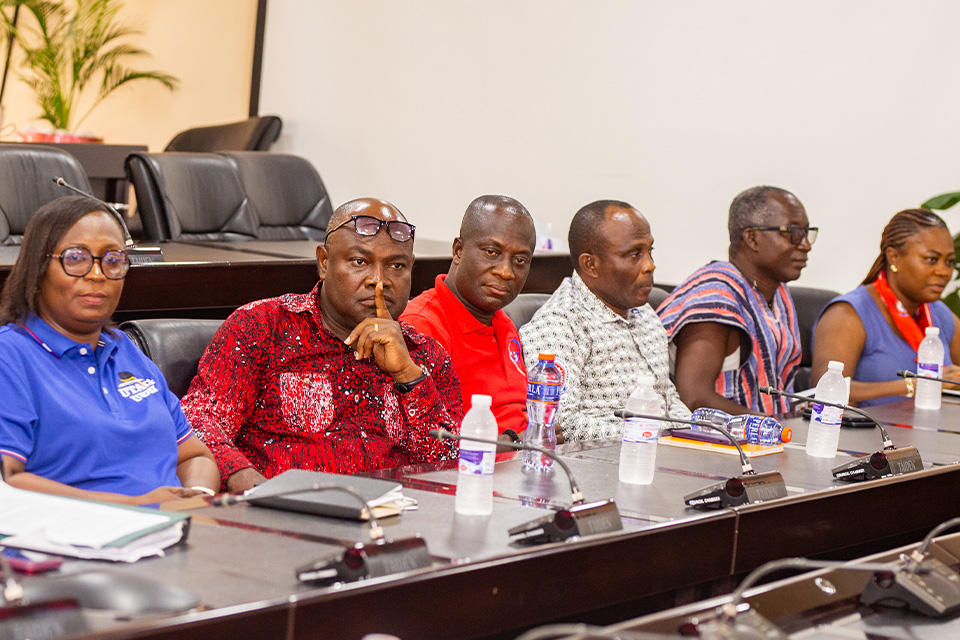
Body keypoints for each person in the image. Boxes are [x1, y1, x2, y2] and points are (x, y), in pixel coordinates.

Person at [182, 198, 462, 493]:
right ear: (324, 262)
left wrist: (407, 375)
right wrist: (255, 489)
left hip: (395, 522)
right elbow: (197, 422)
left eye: (396, 265)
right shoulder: (263, 326)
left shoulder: (424, 354)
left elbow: (451, 464)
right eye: (359, 262)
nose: (379, 281)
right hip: (281, 519)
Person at [0, 196, 220, 505]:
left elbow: (194, 455)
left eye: (113, 259)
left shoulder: (125, 351)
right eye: (75, 258)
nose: (97, 273)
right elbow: (7, 483)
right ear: (38, 269)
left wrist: (197, 497)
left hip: (176, 529)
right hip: (74, 540)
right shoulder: (10, 355)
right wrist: (133, 507)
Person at [519, 200, 690, 442]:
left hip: (660, 454)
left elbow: (667, 397)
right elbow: (559, 423)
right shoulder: (560, 324)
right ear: (590, 265)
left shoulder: (644, 313)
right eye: (634, 254)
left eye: (649, 251)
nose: (650, 265)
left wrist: (696, 431)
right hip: (601, 466)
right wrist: (652, 437)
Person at [658, 186, 814, 414]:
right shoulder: (715, 296)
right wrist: (774, 428)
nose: (806, 245)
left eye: (807, 233)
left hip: (763, 440)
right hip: (713, 444)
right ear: (752, 238)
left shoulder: (778, 292)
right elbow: (693, 398)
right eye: (794, 233)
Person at [401, 195, 535, 441]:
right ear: (458, 251)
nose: (506, 271)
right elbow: (430, 438)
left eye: (520, 260)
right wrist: (519, 442)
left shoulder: (502, 321)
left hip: (522, 466)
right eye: (492, 252)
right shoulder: (423, 325)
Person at [813, 209, 960, 407]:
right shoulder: (847, 315)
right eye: (931, 259)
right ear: (894, 257)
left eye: (949, 261)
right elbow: (822, 392)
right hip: (876, 436)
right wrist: (916, 386)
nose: (943, 271)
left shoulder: (940, 314)